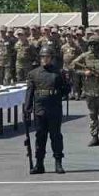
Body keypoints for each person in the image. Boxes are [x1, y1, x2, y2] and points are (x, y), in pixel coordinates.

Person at [25, 46, 69, 174]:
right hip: (40, 108)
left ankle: (58, 163)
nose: (45, 59)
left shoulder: (58, 72)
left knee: (56, 136)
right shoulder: (33, 73)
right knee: (40, 137)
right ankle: (39, 164)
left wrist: (66, 84)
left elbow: (66, 90)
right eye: (43, 57)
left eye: (47, 57)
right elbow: (29, 93)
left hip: (54, 107)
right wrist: (27, 109)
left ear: (51, 58)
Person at [74, 35, 99, 147]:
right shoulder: (84, 56)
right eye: (91, 44)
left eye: (95, 45)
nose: (92, 47)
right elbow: (73, 66)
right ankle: (94, 136)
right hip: (89, 90)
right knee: (92, 114)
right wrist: (84, 73)